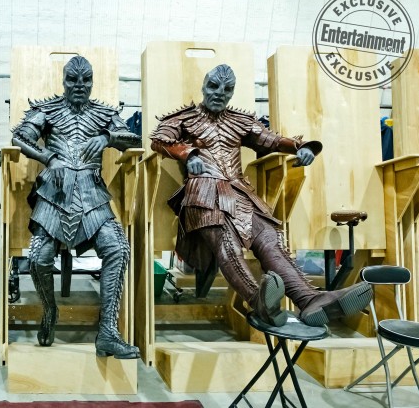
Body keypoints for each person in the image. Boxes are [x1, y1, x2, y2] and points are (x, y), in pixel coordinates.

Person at [150, 64, 372, 327]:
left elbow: (271, 140)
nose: (219, 93)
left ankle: (310, 299)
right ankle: (259, 302)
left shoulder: (240, 121)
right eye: (213, 86)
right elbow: (159, 140)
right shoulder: (184, 118)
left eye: (227, 89)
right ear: (203, 86)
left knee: (270, 240)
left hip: (240, 193)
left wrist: (301, 147)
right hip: (203, 193)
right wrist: (188, 155)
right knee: (228, 245)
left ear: (233, 92)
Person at [12, 56, 141, 358]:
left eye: (86, 80)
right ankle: (50, 311)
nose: (79, 85)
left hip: (93, 196)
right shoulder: (48, 110)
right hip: (53, 196)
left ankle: (108, 332)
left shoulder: (105, 114)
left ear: (92, 81)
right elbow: (20, 137)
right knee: (38, 257)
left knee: (118, 249)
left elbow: (132, 140)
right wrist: (48, 158)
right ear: (64, 80)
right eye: (73, 79)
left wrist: (107, 137)